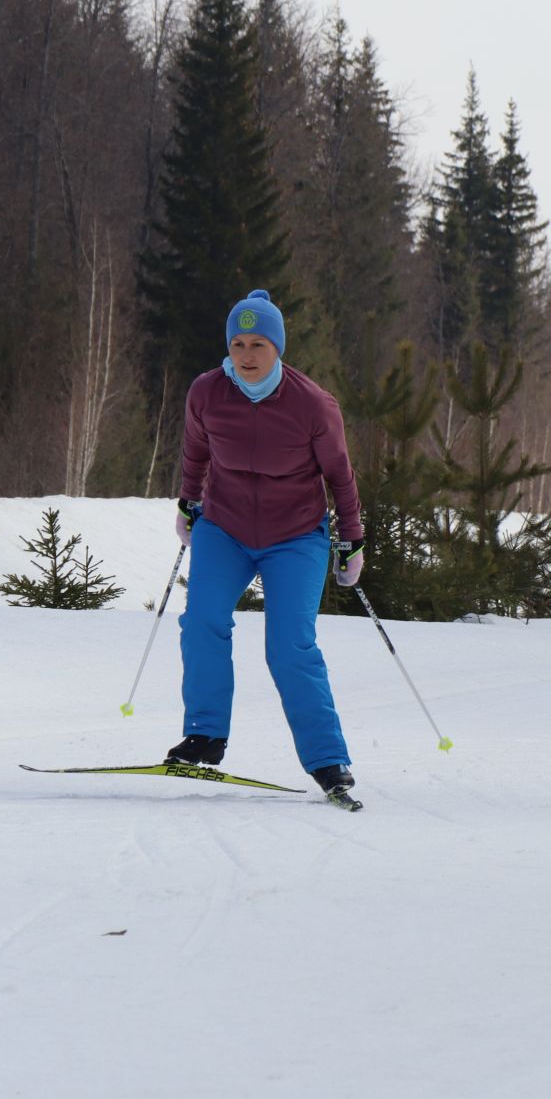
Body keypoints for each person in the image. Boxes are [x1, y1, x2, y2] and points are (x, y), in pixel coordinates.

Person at [168, 288, 366, 801]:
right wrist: (188, 503)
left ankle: (328, 760)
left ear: (278, 348)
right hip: (225, 526)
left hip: (295, 535)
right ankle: (205, 737)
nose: (247, 356)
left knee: (289, 645)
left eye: (259, 344)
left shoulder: (312, 405)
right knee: (203, 621)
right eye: (238, 344)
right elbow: (194, 451)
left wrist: (352, 539)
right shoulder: (207, 393)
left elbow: (340, 476)